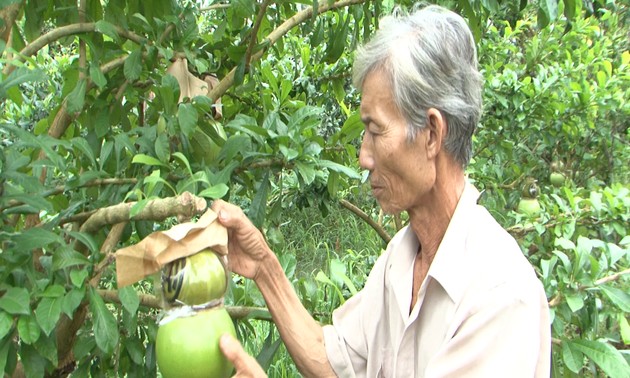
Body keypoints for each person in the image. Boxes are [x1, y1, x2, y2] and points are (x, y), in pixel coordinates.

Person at [214, 4, 551, 377]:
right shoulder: (401, 260)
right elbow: (333, 361)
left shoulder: (498, 295)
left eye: (375, 131)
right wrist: (263, 266)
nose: (363, 156)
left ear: (432, 135)